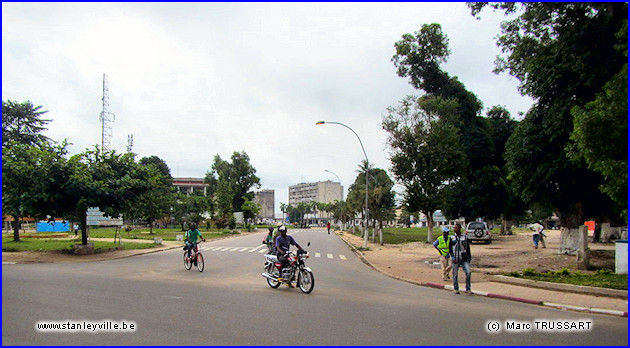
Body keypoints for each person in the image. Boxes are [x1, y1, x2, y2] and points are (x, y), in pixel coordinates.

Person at [449, 224, 472, 295]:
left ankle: (468, 288)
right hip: (455, 258)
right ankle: (456, 288)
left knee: (468, 272)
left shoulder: (464, 237)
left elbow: (468, 248)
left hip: (464, 258)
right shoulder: (452, 238)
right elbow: (450, 249)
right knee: (455, 274)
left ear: (459, 229)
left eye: (456, 228)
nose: (454, 229)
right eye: (454, 228)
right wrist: (452, 257)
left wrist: (469, 257)